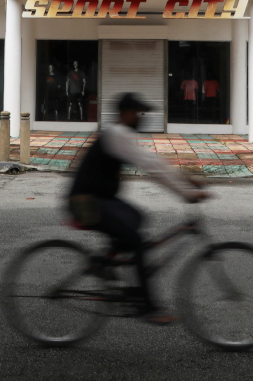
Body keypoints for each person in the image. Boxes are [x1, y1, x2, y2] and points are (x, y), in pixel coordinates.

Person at [68, 92, 208, 325]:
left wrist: (186, 179)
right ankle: (148, 307)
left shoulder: (119, 134)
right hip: (85, 204)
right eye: (137, 113)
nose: (140, 117)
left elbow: (153, 161)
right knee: (135, 240)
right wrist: (187, 192)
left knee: (137, 217)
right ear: (124, 114)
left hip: (98, 199)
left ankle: (102, 262)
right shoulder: (116, 134)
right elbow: (151, 165)